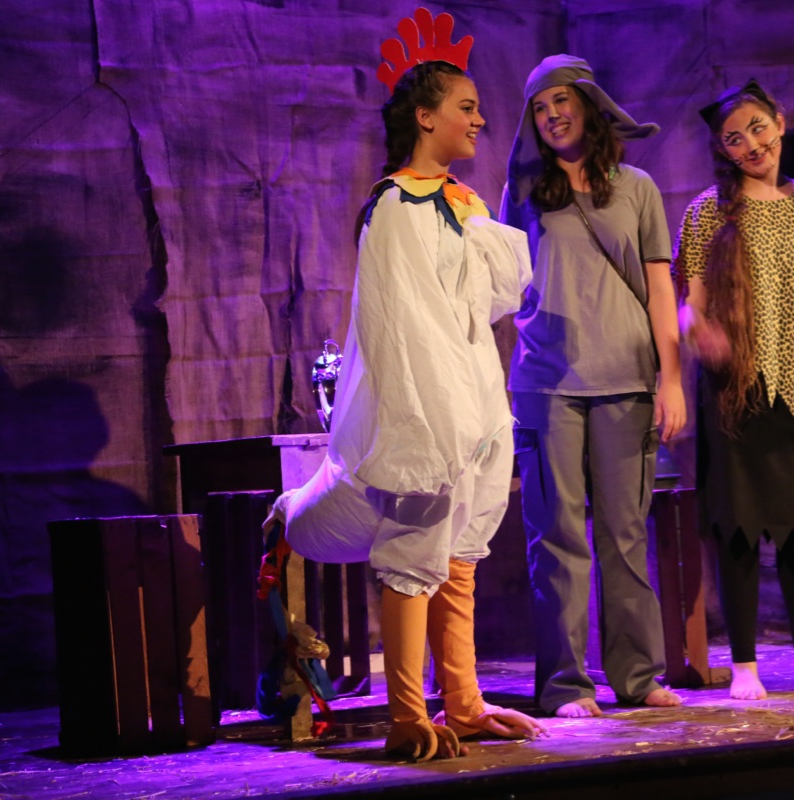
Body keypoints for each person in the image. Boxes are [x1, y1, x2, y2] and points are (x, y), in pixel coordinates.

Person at [265, 14, 546, 760]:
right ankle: (407, 714)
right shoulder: (394, 207)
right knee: (416, 547)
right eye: (465, 107)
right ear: (426, 117)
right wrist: (434, 424)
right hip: (424, 408)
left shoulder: (458, 203)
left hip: (472, 399)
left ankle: (466, 702)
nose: (479, 119)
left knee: (459, 554)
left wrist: (476, 222)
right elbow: (401, 326)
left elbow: (494, 301)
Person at [501, 54, 685, 718]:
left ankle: (637, 676)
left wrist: (671, 379)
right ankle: (566, 685)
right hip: (546, 382)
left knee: (624, 533)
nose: (552, 115)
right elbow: (502, 282)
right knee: (555, 536)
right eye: (539, 107)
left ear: (589, 104)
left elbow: (660, 288)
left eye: (561, 101)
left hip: (626, 379)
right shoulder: (523, 190)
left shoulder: (636, 187)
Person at [675, 80, 794, 700]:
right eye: (734, 139)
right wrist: (700, 333)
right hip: (739, 392)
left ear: (780, 122)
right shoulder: (708, 210)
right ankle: (745, 665)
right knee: (740, 528)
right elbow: (688, 302)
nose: (750, 145)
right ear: (722, 150)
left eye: (757, 128)